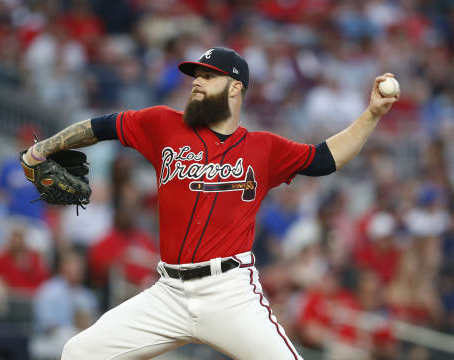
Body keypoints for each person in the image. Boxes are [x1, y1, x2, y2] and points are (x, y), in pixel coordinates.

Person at [21, 47, 398, 359]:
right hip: (168, 292)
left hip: (230, 293)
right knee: (78, 353)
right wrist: (43, 149)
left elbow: (324, 158)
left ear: (235, 88)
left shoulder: (263, 147)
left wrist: (372, 114)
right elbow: (101, 126)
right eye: (194, 76)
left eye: (208, 75)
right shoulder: (162, 124)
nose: (197, 82)